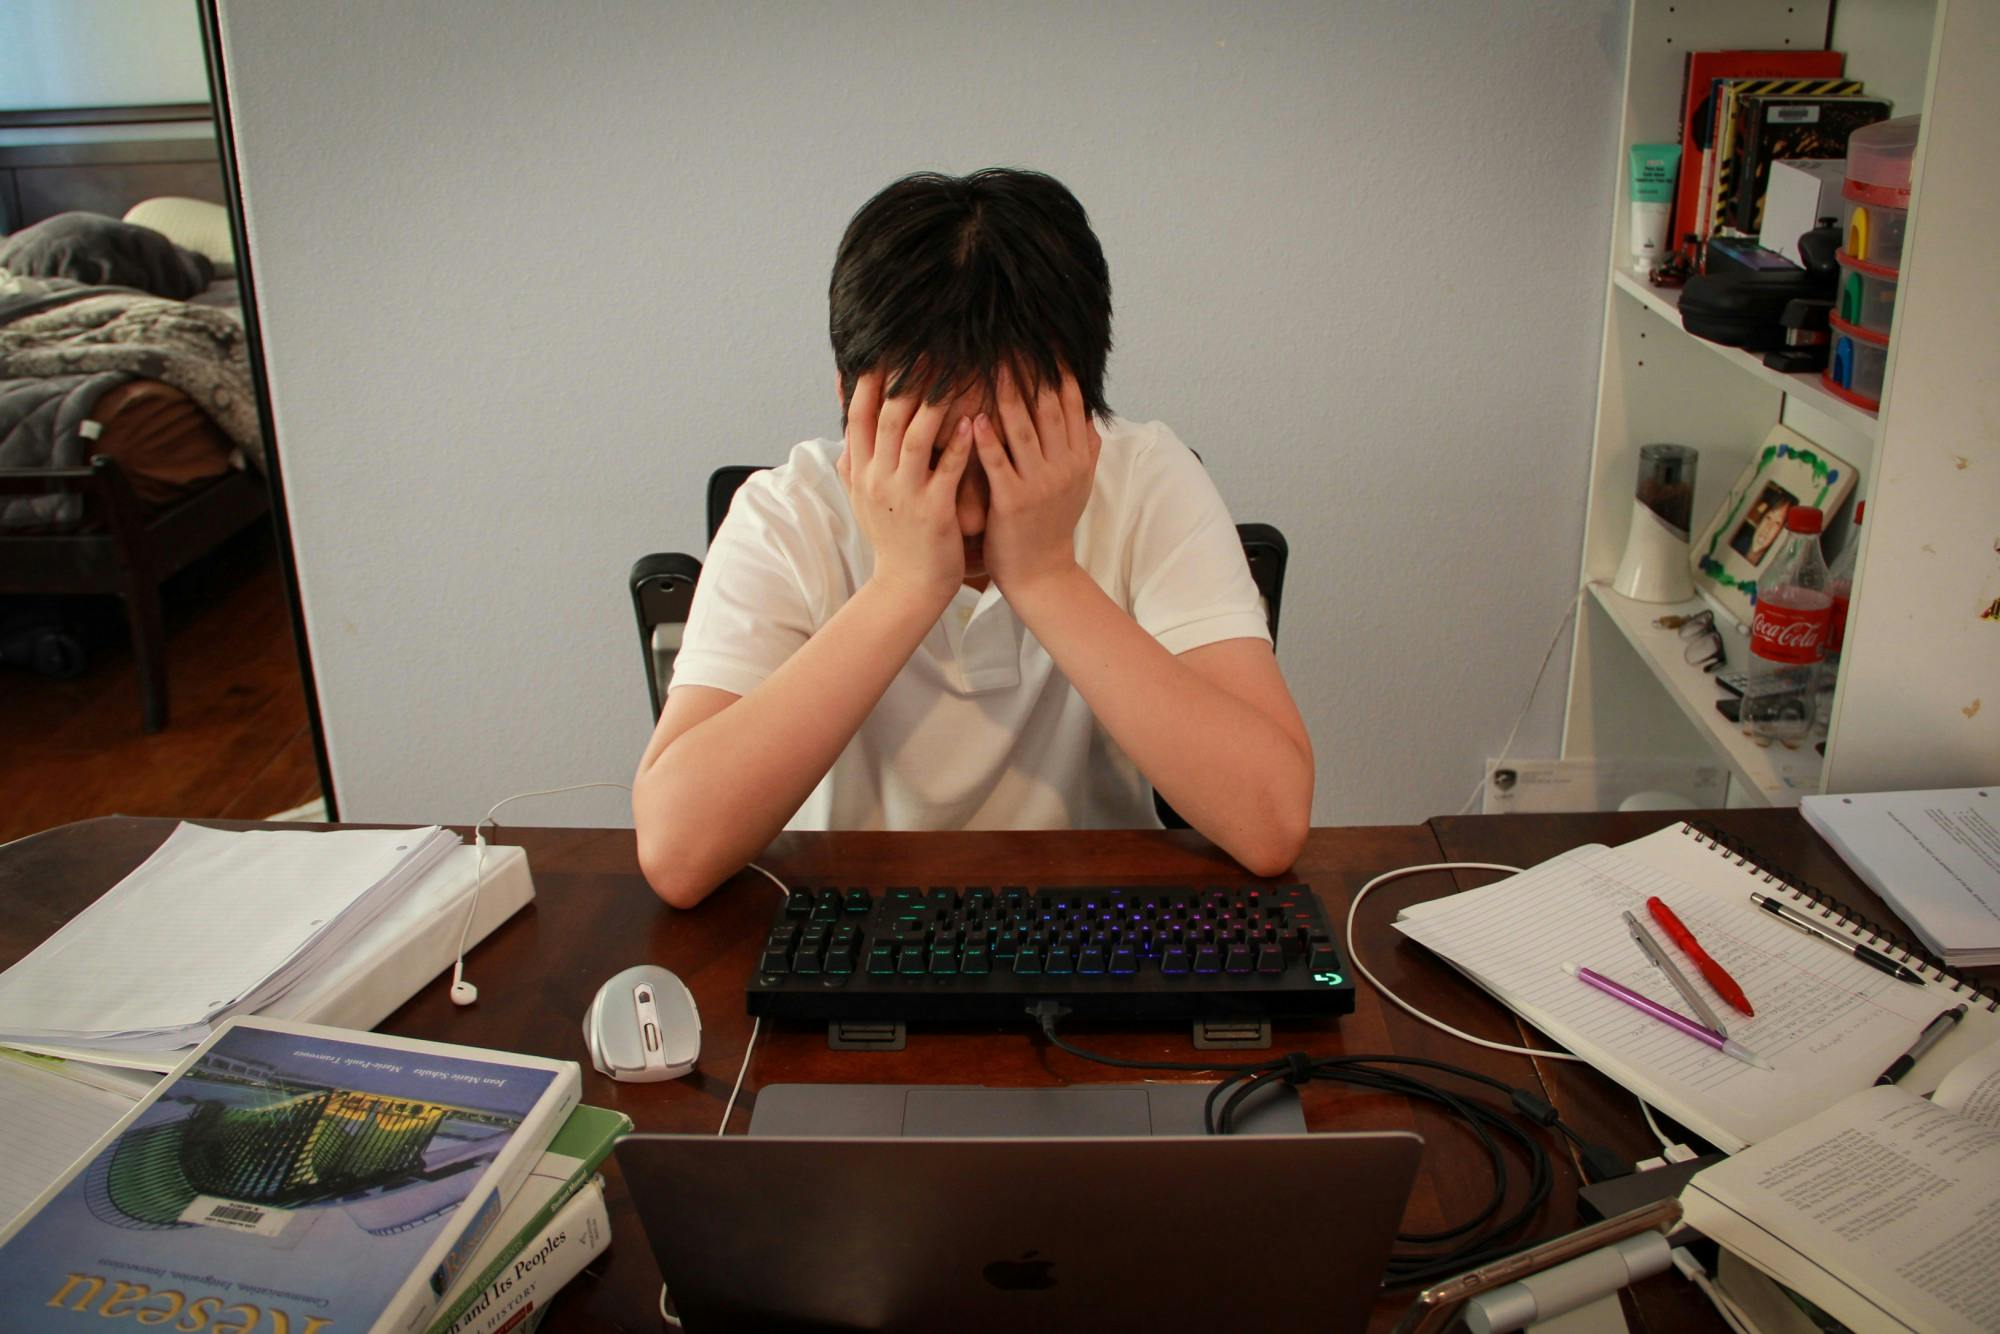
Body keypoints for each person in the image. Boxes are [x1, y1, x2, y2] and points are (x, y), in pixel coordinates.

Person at [633, 168, 1312, 908]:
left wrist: (1048, 575)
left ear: (1082, 403)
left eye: (1010, 456)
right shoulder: (788, 515)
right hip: (845, 920)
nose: (969, 517)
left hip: (1098, 922)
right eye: (930, 455)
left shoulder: (1148, 480)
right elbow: (677, 851)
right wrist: (903, 585)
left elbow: (1271, 823)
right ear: (848, 399)